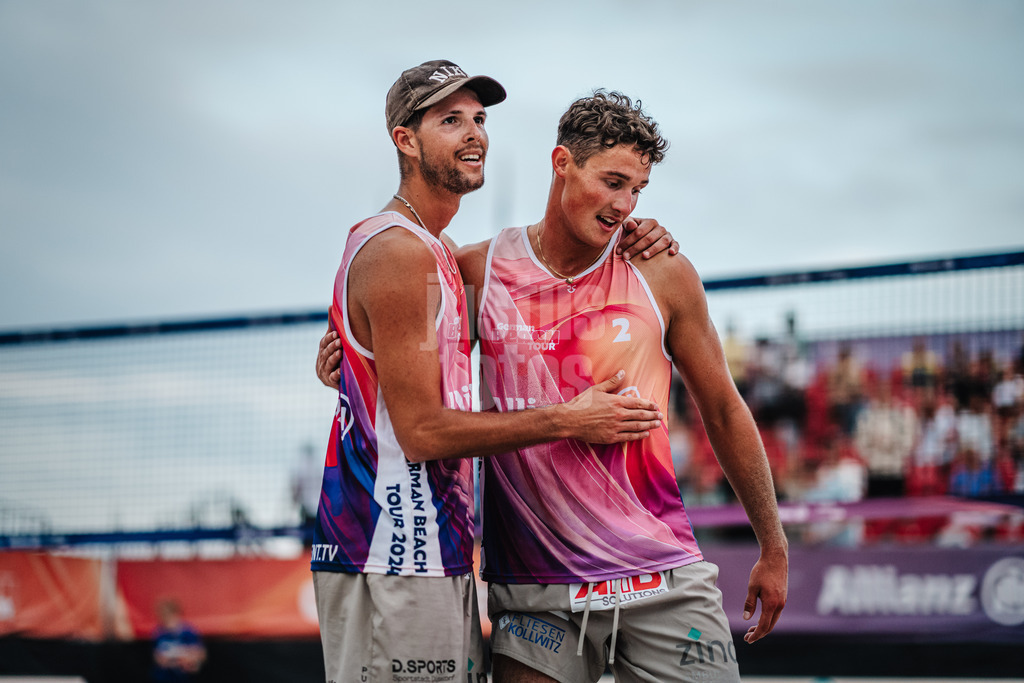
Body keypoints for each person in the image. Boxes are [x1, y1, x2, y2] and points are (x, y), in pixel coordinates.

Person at [311, 61, 677, 683]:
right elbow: (423, 432)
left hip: (434, 549)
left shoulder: (439, 258)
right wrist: (571, 418)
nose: (474, 133)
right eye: (450, 120)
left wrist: (627, 228)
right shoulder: (401, 252)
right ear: (405, 139)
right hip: (388, 549)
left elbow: (404, 350)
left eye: (479, 119)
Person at [454, 91, 788, 682]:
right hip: (537, 583)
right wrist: (338, 359)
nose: (625, 205)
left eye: (637, 190)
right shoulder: (478, 271)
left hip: (659, 574)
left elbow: (723, 408)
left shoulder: (660, 270)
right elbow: (401, 360)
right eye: (612, 182)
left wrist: (774, 544)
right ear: (562, 163)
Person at [151, 598, 205, 682]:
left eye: (169, 617)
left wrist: (190, 660)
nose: (166, 622)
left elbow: (200, 655)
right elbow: (158, 658)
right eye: (163, 617)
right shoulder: (159, 633)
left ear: (176, 614)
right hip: (164, 678)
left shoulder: (189, 632)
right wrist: (167, 661)